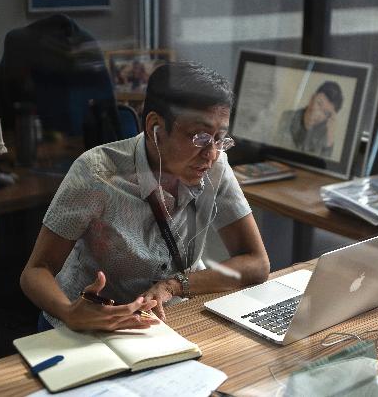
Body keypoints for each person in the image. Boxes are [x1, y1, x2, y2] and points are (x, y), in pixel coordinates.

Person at [20, 61, 270, 332]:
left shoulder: (216, 166)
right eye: (199, 137)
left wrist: (174, 285)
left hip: (168, 319)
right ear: (155, 127)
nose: (210, 154)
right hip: (86, 322)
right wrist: (70, 313)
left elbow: (256, 263)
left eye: (220, 138)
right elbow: (35, 271)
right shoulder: (97, 174)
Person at [276, 81, 343, 157]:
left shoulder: (326, 136)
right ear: (312, 98)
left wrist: (329, 140)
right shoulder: (287, 117)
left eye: (326, 113)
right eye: (319, 103)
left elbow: (321, 165)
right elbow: (278, 151)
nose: (318, 113)